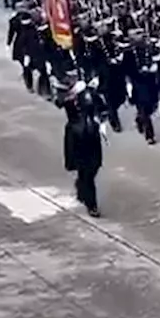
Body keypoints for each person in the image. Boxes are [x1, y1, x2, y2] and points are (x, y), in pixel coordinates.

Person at [57, 71, 105, 218]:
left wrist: (101, 122)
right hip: (77, 134)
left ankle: (81, 186)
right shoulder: (65, 91)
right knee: (84, 168)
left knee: (95, 166)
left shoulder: (88, 92)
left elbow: (101, 108)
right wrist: (71, 94)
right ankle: (92, 205)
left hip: (92, 134)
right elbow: (59, 102)